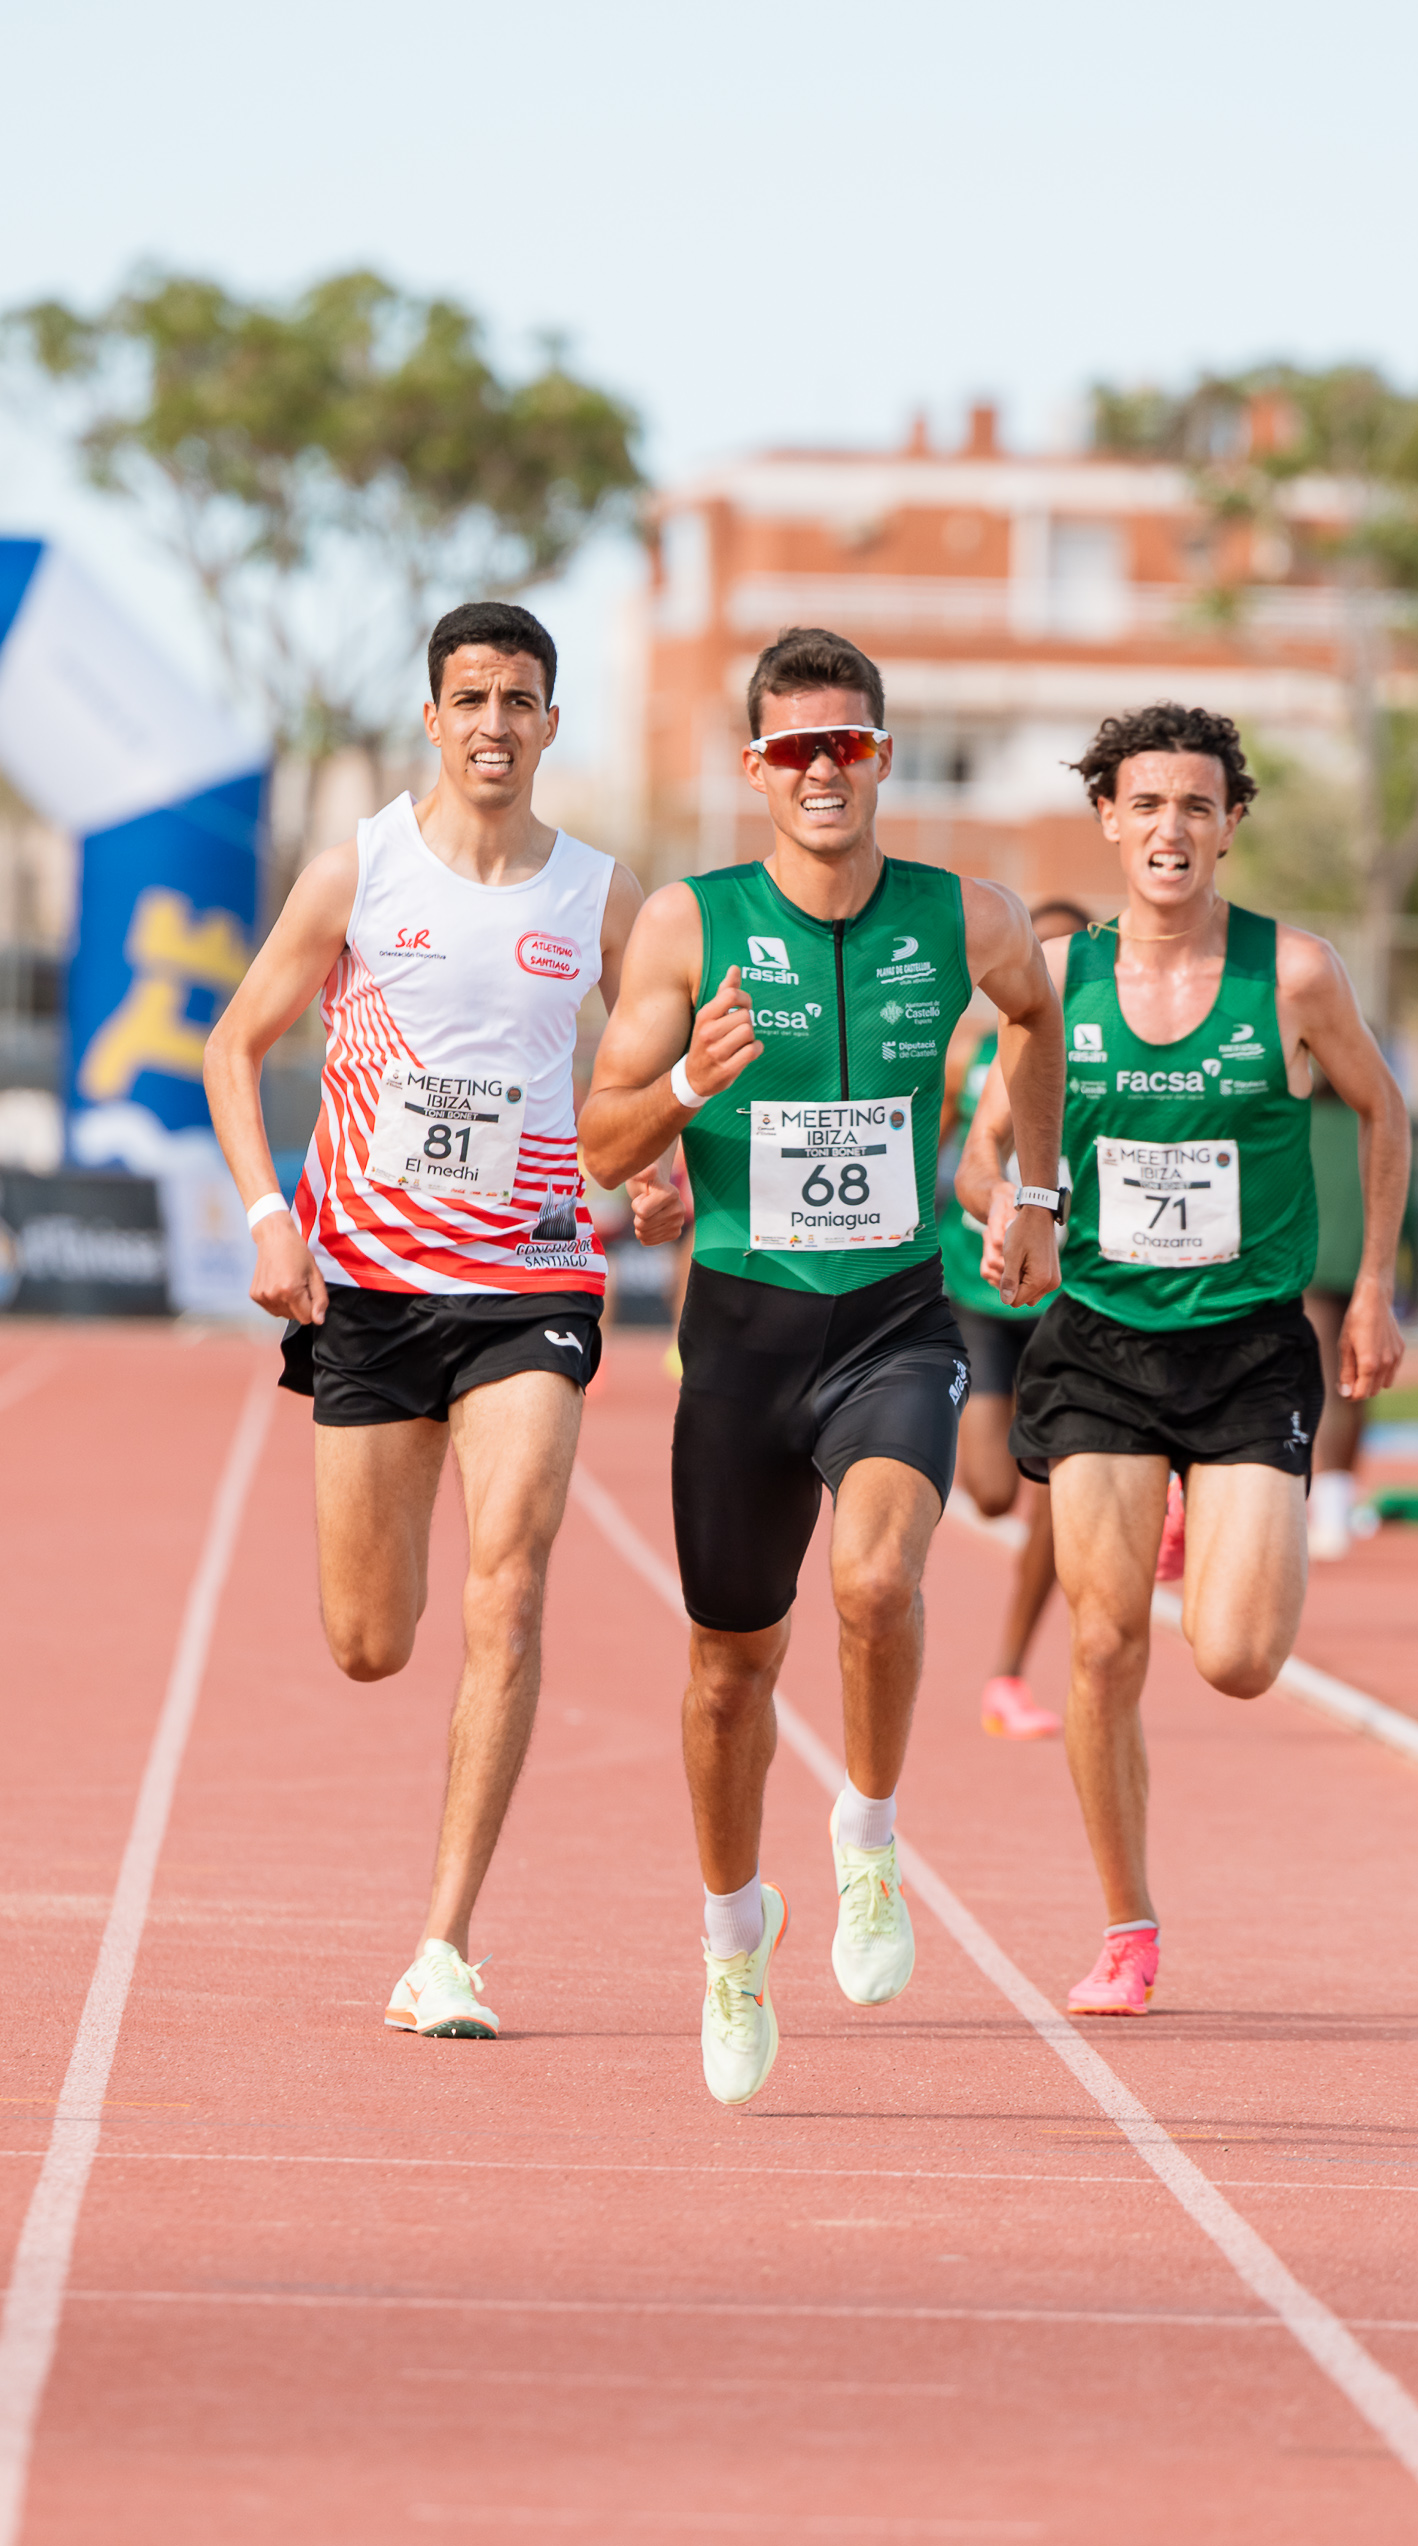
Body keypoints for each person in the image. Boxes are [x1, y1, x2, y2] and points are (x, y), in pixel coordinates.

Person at [578, 626, 1065, 2107]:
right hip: (738, 1334)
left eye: (844, 743)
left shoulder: (966, 915)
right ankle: (735, 1937)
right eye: (794, 749)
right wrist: (681, 1088)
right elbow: (601, 1146)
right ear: (755, 772)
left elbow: (1038, 1018)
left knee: (875, 1581)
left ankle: (867, 1836)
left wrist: (1032, 1195)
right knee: (729, 1669)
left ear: (880, 757)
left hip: (892, 1320)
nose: (822, 770)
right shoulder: (686, 924)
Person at [200, 600, 656, 2045]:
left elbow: (662, 1068)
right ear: (433, 717)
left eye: (521, 700)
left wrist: (660, 1171)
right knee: (369, 1638)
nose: (494, 725)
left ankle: (446, 1941)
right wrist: (271, 1215)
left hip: (534, 1279)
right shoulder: (360, 871)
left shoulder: (601, 895)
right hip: (374, 1292)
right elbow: (234, 1043)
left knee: (508, 1588)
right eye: (471, 699)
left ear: (552, 723)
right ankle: (439, 1916)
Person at [976, 703, 1408, 2015]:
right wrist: (1010, 1203)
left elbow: (1383, 1112)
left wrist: (1374, 1286)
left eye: (1197, 807)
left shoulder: (1296, 977)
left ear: (1230, 826)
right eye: (1147, 804)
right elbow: (996, 1136)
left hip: (1249, 1349)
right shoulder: (1054, 985)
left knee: (1234, 1655)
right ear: (1107, 818)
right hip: (1100, 1343)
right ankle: (1126, 1928)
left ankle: (1211, 1524)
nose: (1171, 828)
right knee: (1103, 1650)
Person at [940, 897, 1098, 1738]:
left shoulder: (1099, 1043)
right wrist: (992, 1194)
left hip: (1072, 1298)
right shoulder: (968, 1049)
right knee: (994, 1492)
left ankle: (1010, 1669)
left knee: (1054, 1494)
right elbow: (945, 1151)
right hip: (980, 1288)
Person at [1302, 1074, 1385, 1561]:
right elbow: (1409, 1205)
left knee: (1327, 1384)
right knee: (1358, 1383)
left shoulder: (1299, 1118)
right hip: (1365, 1265)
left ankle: (1331, 1512)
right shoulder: (1378, 1121)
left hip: (1310, 1266)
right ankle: (1340, 1501)